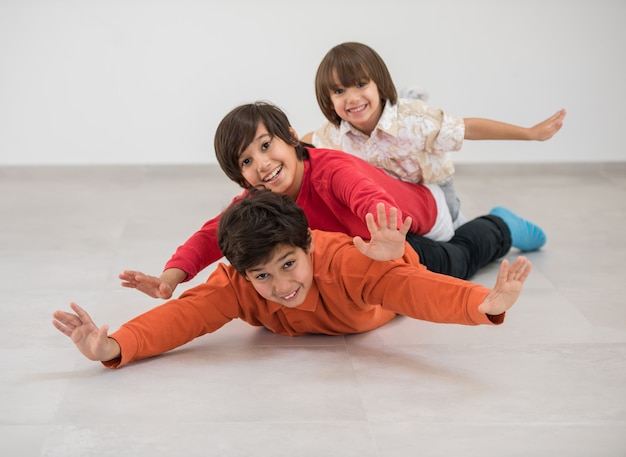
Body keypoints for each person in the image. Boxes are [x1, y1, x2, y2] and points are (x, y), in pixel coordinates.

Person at [54, 189, 532, 369]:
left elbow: (415, 289)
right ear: (242, 273)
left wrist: (484, 304)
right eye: (262, 275)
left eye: (288, 265)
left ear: (307, 245)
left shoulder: (349, 264)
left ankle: (502, 223)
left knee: (463, 255)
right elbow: (183, 316)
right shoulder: (238, 284)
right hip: (374, 256)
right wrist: (113, 346)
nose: (281, 285)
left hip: (398, 258)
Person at [119, 101, 545, 300]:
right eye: (246, 161)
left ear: (290, 137)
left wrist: (388, 243)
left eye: (266, 146)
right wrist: (172, 277)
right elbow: (215, 232)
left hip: (416, 220)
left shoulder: (331, 169)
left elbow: (370, 200)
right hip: (373, 241)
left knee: (454, 264)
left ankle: (501, 225)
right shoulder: (260, 197)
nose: (262, 164)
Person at [301, 41, 567, 225]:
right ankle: (406, 94)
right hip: (390, 198)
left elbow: (468, 127)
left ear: (379, 84)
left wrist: (530, 133)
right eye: (339, 91)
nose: (352, 98)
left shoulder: (415, 121)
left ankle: (501, 221)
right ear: (327, 99)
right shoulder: (333, 134)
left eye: (361, 84)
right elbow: (301, 144)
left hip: (433, 191)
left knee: (450, 234)